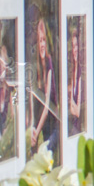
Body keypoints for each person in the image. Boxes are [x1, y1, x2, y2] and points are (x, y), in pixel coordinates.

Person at [30, 16, 60, 163]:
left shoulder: (49, 66)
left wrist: (36, 132)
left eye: (44, 40)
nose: (42, 44)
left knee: (44, 154)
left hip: (54, 124)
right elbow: (32, 99)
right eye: (39, 40)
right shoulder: (36, 67)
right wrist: (32, 126)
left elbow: (47, 107)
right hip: (42, 124)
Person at [0, 39, 15, 161]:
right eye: (1, 60)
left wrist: (6, 136)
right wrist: (0, 140)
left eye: (5, 60)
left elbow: (13, 115)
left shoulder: (11, 85)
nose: (3, 63)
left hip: (8, 135)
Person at [68, 25, 83, 136]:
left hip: (77, 128)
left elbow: (77, 112)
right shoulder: (72, 70)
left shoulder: (80, 72)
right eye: (73, 46)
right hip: (70, 124)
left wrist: (70, 101)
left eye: (76, 45)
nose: (75, 50)